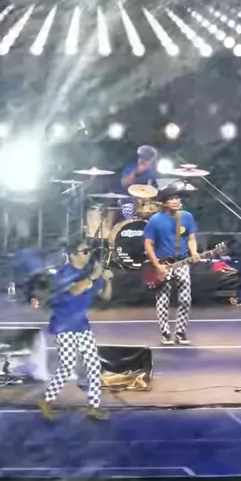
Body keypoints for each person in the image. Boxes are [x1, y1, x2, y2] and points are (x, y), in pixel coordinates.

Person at [39, 241, 112, 422]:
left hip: (82, 326)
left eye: (89, 251)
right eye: (85, 251)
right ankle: (46, 401)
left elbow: (105, 296)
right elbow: (74, 290)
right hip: (64, 326)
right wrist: (94, 276)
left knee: (94, 366)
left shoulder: (87, 274)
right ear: (73, 255)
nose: (88, 254)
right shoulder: (63, 274)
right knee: (67, 365)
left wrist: (107, 280)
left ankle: (93, 407)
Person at [144, 188, 200, 345]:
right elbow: (148, 244)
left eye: (177, 198)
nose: (175, 201)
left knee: (186, 299)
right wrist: (156, 265)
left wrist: (194, 252)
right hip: (163, 264)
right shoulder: (155, 220)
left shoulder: (186, 217)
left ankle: (180, 332)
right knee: (163, 299)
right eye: (171, 198)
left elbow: (191, 238)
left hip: (182, 262)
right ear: (164, 202)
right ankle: (165, 333)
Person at [120, 145, 159, 220]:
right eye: (141, 158)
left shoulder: (154, 171)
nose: (143, 160)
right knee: (130, 218)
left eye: (147, 159)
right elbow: (124, 183)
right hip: (130, 202)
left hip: (150, 204)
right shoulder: (131, 168)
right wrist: (136, 172)